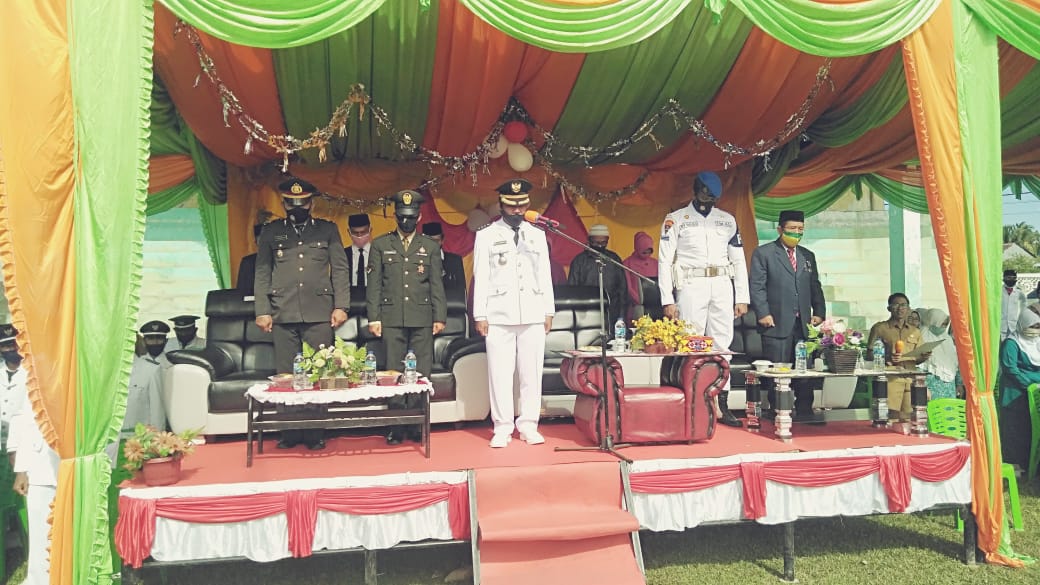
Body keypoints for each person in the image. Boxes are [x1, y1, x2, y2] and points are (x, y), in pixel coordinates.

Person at [254, 177, 351, 450]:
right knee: (286, 375)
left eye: (302, 203)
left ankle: (316, 432)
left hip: (319, 312)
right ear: (284, 204)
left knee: (320, 374)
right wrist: (262, 310)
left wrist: (341, 306)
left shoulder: (327, 230)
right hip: (282, 312)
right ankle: (290, 432)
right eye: (291, 203)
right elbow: (262, 272)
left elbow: (340, 269)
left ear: (311, 203)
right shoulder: (272, 232)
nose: (297, 207)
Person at [661, 172, 749, 426]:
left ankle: (722, 402)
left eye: (713, 197)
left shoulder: (727, 220)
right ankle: (695, 401)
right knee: (692, 342)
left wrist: (742, 296)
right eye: (705, 194)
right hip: (691, 283)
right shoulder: (676, 219)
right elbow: (665, 260)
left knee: (723, 344)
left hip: (722, 283)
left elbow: (739, 259)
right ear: (696, 190)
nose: (709, 200)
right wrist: (667, 298)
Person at [472, 179, 554, 448]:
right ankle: (502, 427)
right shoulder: (486, 235)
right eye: (511, 206)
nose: (517, 211)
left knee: (532, 373)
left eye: (522, 206)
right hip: (499, 313)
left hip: (532, 310)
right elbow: (480, 276)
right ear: (502, 205)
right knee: (500, 374)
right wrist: (479, 314)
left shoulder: (537, 234)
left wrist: (548, 309)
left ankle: (529, 425)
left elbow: (545, 275)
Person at [368, 191, 447, 445]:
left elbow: (436, 285)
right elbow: (374, 285)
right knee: (393, 372)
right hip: (390, 316)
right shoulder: (381, 245)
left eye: (411, 218)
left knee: (421, 373)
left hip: (422, 315)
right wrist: (374, 317)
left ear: (419, 216)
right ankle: (395, 426)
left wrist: (440, 316)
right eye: (402, 217)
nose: (406, 222)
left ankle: (417, 424)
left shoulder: (430, 246)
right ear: (395, 216)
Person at [748, 209, 826, 420]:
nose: (796, 233)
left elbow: (814, 286)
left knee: (805, 371)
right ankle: (779, 412)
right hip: (776, 322)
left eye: (800, 229)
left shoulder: (807, 256)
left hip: (803, 325)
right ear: (780, 229)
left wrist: (819, 311)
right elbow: (757, 286)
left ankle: (804, 411)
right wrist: (763, 312)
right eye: (792, 229)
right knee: (779, 372)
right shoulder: (763, 253)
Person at [6, 328, 59, 585]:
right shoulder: (28, 373)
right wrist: (21, 468)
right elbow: (20, 419)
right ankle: (40, 579)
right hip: (38, 464)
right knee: (40, 530)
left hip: (72, 462)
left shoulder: (71, 369)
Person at [866, 293, 930, 423]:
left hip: (910, 380)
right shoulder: (880, 328)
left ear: (908, 308)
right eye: (896, 304)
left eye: (904, 305)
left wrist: (924, 356)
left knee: (908, 419)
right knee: (890, 418)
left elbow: (918, 357)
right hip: (890, 380)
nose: (900, 308)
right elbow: (869, 354)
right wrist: (887, 358)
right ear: (889, 308)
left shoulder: (915, 331)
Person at [999, 309, 1040, 469]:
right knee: (1014, 428)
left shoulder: (1036, 341)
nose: (1034, 331)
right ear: (1023, 325)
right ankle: (1014, 466)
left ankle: (1028, 463)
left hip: (1033, 392)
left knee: (1029, 428)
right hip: (1014, 391)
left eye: (1038, 326)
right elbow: (1010, 368)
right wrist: (1029, 384)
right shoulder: (1011, 343)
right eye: (1032, 326)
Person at [567, 224, 628, 326]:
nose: (600, 246)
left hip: (611, 313)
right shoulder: (579, 261)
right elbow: (572, 290)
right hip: (586, 314)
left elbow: (623, 290)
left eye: (603, 243)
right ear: (589, 240)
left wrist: (621, 317)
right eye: (596, 243)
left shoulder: (614, 259)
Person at [918, 308, 962, 400]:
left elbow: (955, 362)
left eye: (945, 325)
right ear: (933, 322)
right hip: (931, 387)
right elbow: (918, 366)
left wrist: (959, 384)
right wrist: (923, 388)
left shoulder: (947, 339)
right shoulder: (922, 339)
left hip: (949, 388)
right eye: (942, 324)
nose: (943, 328)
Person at [622, 231, 661, 321]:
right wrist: (638, 300)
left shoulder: (656, 263)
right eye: (644, 251)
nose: (647, 253)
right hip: (637, 306)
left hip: (656, 306)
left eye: (649, 251)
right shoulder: (627, 263)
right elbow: (627, 286)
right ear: (637, 248)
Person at [1, 324, 27, 450]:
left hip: (22, 440)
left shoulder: (33, 371)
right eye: (6, 346)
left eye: (14, 344)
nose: (11, 349)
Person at [422, 222, 466, 291]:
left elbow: (461, 291)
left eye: (436, 240)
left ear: (442, 240)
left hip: (450, 301)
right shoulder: (415, 261)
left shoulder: (455, 261)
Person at [235, 223, 267, 295]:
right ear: (256, 241)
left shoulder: (281, 260)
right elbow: (241, 292)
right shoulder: (247, 262)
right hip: (251, 304)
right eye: (261, 238)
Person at [345, 213, 372, 290]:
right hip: (349, 298)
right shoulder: (343, 254)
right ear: (349, 232)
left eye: (363, 232)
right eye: (355, 233)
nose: (359, 236)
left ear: (370, 230)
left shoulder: (378, 253)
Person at [1002, 269, 1027, 341]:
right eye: (1009, 278)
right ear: (1004, 278)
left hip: (1014, 325)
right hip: (1001, 324)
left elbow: (1024, 304)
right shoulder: (999, 291)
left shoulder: (1019, 292)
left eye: (1014, 278)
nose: (1011, 280)